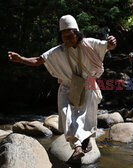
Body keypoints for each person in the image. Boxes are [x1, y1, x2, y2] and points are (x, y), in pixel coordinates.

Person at [8, 15, 116, 159]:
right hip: (68, 85)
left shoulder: (90, 44)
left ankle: (87, 137)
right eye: (64, 37)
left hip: (89, 82)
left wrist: (112, 42)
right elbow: (38, 60)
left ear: (77, 34)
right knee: (67, 114)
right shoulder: (58, 51)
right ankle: (77, 146)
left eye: (70, 36)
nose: (68, 40)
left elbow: (108, 46)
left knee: (87, 114)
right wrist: (21, 59)